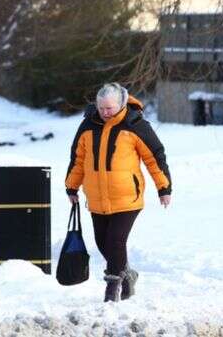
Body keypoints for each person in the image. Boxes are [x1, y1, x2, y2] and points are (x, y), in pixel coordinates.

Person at [65, 83, 172, 302]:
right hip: (96, 198)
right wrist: (72, 186)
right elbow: (78, 159)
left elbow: (155, 157)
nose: (105, 113)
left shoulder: (135, 125)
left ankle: (112, 289)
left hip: (127, 198)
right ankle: (128, 275)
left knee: (115, 241)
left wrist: (164, 187)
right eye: (101, 107)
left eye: (110, 108)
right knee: (103, 243)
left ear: (121, 104)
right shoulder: (88, 125)